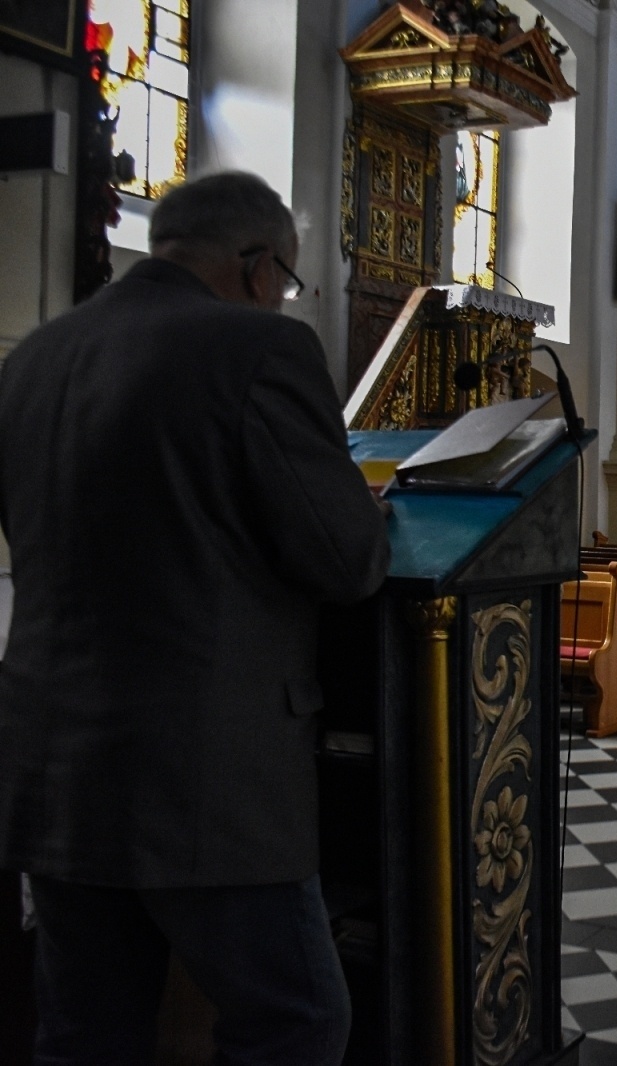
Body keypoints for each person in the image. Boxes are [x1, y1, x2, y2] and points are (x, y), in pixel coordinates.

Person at [0, 171, 392, 1064]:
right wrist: (365, 517)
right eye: (288, 281)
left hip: (52, 764)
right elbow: (344, 561)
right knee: (295, 1018)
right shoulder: (258, 350)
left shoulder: (35, 357)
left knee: (83, 1033)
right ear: (259, 269)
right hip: (205, 778)